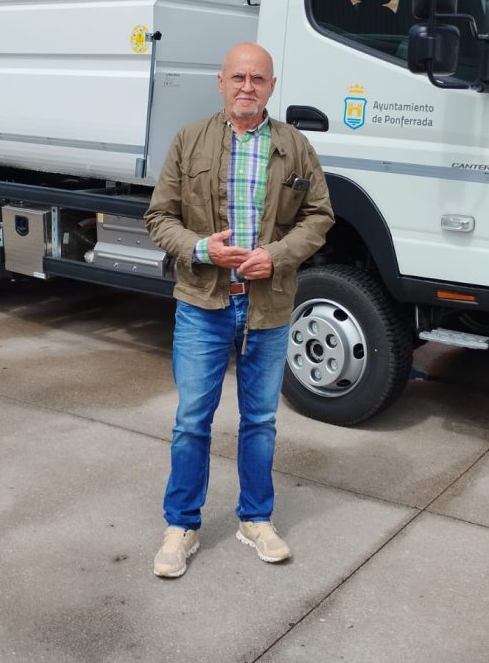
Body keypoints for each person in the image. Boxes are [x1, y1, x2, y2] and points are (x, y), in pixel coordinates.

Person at [144, 42, 334, 578]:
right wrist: (204, 249)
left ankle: (256, 518)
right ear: (221, 82)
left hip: (267, 308)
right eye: (238, 77)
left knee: (261, 421)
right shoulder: (189, 141)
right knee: (190, 421)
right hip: (203, 304)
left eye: (258, 78)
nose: (247, 86)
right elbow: (159, 216)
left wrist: (273, 257)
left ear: (272, 86)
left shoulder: (295, 147)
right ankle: (181, 526)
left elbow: (320, 217)